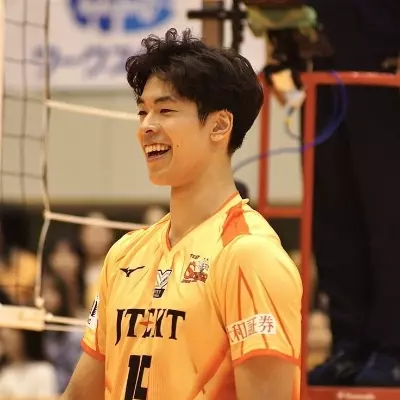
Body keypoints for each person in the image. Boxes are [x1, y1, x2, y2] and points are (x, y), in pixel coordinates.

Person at [61, 28, 302, 400]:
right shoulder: (124, 255)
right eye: (142, 111)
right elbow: (80, 395)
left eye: (165, 110)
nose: (146, 126)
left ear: (220, 125)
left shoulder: (249, 256)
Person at [306, 0, 400, 387]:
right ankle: (348, 344)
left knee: (389, 214)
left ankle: (393, 347)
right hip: (325, 61)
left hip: (387, 63)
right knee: (334, 215)